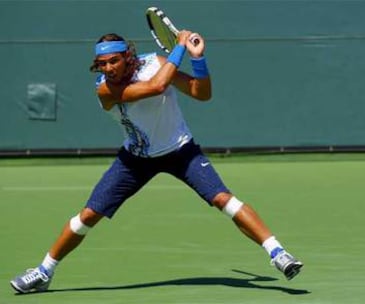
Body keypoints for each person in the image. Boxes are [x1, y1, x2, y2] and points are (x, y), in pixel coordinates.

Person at [10, 30, 303, 294]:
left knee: (224, 199)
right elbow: (155, 88)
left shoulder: (158, 62)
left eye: (113, 61)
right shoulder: (104, 89)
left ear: (127, 57)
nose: (108, 69)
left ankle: (278, 254)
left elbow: (202, 94)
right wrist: (180, 48)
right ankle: (44, 271)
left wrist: (198, 59)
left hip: (181, 151)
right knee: (87, 216)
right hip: (135, 160)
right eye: (102, 64)